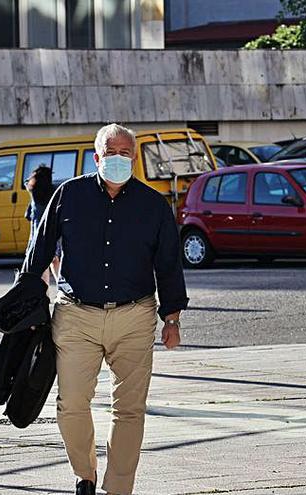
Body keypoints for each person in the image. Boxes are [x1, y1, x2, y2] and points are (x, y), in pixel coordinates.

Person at [23, 123, 188, 495]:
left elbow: (168, 263)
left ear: (134, 158)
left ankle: (118, 488)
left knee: (129, 410)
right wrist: (26, 298)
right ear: (96, 157)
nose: (118, 159)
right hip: (76, 315)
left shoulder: (152, 205)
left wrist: (172, 317)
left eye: (125, 153)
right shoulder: (69, 195)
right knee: (71, 403)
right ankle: (85, 475)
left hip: (135, 315)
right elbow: (40, 249)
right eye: (110, 153)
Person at [25, 166, 60, 284]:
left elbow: (27, 183)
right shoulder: (55, 191)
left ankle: (44, 294)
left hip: (37, 231)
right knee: (55, 260)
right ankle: (62, 287)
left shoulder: (33, 191)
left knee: (41, 264)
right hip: (52, 230)